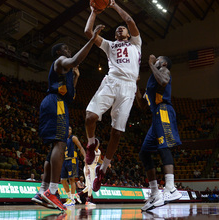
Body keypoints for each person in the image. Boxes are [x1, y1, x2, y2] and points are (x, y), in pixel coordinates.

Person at [31, 24, 104, 212]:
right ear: (58, 53)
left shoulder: (66, 72)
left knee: (54, 148)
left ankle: (43, 190)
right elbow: (73, 59)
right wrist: (92, 38)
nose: (68, 51)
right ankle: (52, 191)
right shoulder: (61, 61)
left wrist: (76, 78)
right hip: (55, 103)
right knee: (60, 145)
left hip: (58, 103)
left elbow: (70, 96)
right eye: (65, 49)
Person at [84, 0, 142, 193]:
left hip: (128, 87)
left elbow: (130, 20)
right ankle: (92, 145)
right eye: (117, 29)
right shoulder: (109, 45)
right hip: (111, 81)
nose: (120, 29)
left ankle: (103, 168)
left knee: (116, 132)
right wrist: (93, 12)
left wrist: (113, 4)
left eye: (122, 29)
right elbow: (87, 33)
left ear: (128, 34)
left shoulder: (136, 44)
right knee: (90, 117)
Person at [135, 55, 182, 211]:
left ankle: (171, 188)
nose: (154, 60)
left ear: (163, 62)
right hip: (155, 116)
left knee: (163, 147)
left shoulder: (163, 70)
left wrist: (150, 64)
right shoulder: (151, 82)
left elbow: (164, 81)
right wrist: (135, 85)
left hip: (164, 110)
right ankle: (155, 192)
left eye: (157, 59)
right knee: (144, 153)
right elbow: (142, 105)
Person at [61, 125, 86, 207]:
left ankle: (72, 199)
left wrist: (85, 157)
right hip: (64, 160)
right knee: (63, 180)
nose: (68, 130)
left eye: (70, 129)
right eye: (67, 129)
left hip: (72, 160)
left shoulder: (73, 138)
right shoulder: (62, 140)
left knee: (72, 180)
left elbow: (80, 147)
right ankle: (69, 197)